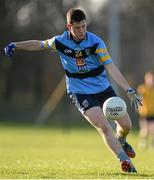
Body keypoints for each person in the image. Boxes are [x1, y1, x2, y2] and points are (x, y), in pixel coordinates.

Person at [4, 8, 142, 173]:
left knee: (126, 124)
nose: (82, 30)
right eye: (77, 27)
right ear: (69, 26)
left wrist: (128, 88)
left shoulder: (96, 43)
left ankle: (122, 140)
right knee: (104, 126)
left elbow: (110, 67)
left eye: (84, 26)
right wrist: (16, 45)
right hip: (80, 91)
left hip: (103, 88)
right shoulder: (60, 42)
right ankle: (124, 161)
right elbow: (39, 44)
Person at [137, 71, 154, 149]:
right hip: (144, 113)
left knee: (152, 130)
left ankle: (151, 144)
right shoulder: (142, 89)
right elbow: (140, 100)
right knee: (145, 130)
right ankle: (143, 143)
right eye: (149, 79)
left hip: (152, 113)